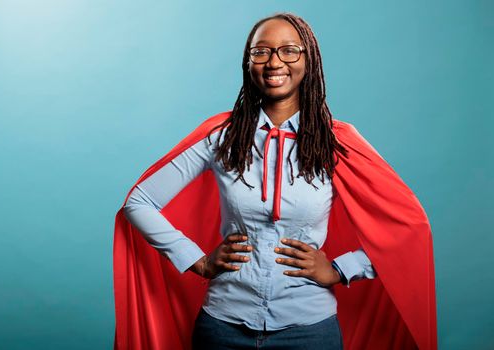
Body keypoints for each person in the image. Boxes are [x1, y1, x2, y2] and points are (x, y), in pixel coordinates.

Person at [113, 12, 437, 350]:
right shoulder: (221, 136)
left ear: (308, 60)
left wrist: (341, 269)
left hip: (310, 331)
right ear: (248, 62)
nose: (274, 62)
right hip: (222, 327)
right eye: (261, 51)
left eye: (289, 50)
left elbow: (408, 228)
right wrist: (197, 260)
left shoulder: (337, 142)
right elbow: (139, 202)